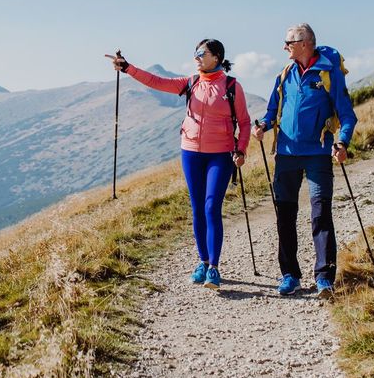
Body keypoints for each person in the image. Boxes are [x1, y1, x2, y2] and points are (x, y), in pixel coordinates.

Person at [106, 40, 251, 290]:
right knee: (197, 208)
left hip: (221, 154)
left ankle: (214, 268)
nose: (196, 57)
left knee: (211, 207)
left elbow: (246, 122)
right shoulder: (190, 83)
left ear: (216, 57)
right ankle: (203, 262)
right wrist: (128, 67)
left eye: (201, 53)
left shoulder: (231, 87)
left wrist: (241, 150)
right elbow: (156, 82)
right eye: (195, 53)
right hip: (191, 152)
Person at [253, 23, 357, 297]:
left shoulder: (328, 73)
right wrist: (263, 125)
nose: (284, 47)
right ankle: (290, 274)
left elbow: (347, 114)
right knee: (284, 215)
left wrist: (342, 142)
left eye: (288, 42)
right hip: (286, 154)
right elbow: (272, 111)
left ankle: (325, 278)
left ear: (304, 42)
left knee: (321, 214)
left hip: (318, 153)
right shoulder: (284, 75)